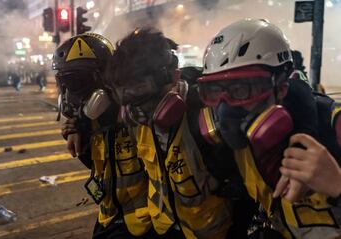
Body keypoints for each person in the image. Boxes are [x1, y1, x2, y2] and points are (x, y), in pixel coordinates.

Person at [197, 18, 341, 238]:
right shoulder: (242, 146)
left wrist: (337, 185)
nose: (226, 110)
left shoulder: (333, 126)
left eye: (242, 88)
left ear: (281, 88)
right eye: (216, 90)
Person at [105, 28, 252, 239]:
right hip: (165, 229)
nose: (137, 108)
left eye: (141, 91)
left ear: (173, 77)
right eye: (126, 95)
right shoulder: (137, 123)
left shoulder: (208, 116)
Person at [52, 33, 153, 239]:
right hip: (109, 216)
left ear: (105, 78)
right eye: (67, 83)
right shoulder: (88, 122)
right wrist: (80, 135)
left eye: (79, 81)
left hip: (143, 224)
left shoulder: (136, 114)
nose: (72, 93)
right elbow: (102, 169)